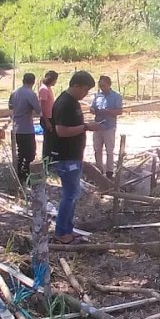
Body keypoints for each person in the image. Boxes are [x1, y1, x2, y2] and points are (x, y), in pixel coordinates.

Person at [50, 71, 102, 244]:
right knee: (69, 195)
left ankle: (68, 229)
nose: (85, 94)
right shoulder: (64, 103)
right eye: (85, 90)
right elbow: (61, 130)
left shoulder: (73, 102)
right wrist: (86, 126)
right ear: (76, 85)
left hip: (74, 156)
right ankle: (60, 232)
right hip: (66, 157)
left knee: (73, 194)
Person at [9, 72, 42, 183]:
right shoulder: (31, 94)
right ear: (33, 82)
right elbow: (38, 110)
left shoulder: (14, 92)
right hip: (26, 128)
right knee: (30, 153)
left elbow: (10, 107)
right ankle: (26, 175)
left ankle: (19, 174)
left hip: (16, 127)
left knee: (20, 152)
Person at [90, 75, 124, 179]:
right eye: (100, 86)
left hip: (109, 127)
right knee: (97, 149)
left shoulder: (116, 96)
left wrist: (108, 111)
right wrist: (93, 110)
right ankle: (99, 170)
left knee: (109, 150)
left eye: (104, 85)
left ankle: (109, 172)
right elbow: (92, 108)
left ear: (109, 85)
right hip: (98, 126)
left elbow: (119, 111)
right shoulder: (97, 96)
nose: (102, 88)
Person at [38, 70, 59, 160]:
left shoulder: (48, 88)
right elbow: (42, 107)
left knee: (51, 140)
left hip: (51, 117)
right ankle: (46, 160)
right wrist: (47, 121)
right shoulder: (44, 89)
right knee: (48, 141)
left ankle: (50, 159)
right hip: (47, 118)